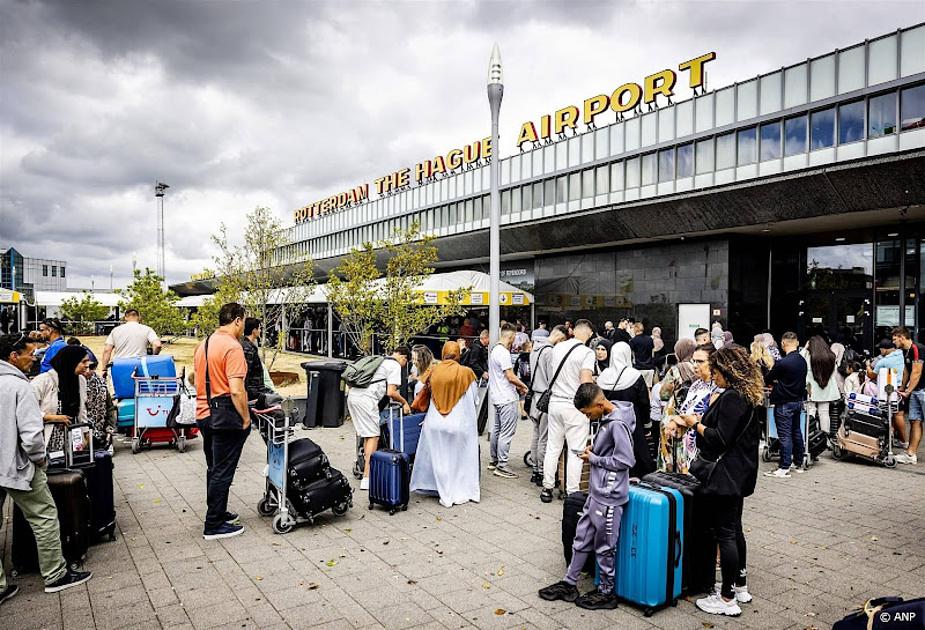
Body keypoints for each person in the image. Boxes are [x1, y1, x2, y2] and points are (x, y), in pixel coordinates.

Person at [668, 345, 761, 617]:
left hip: (725, 475)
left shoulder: (732, 397)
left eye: (716, 370)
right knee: (734, 528)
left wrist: (695, 424)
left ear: (727, 371)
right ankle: (738, 585)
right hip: (738, 471)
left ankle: (727, 597)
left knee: (726, 533)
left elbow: (719, 437)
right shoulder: (746, 395)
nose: (713, 376)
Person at [0, 334, 93, 603]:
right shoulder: (20, 387)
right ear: (13, 356)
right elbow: (31, 434)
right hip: (19, 464)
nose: (35, 359)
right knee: (44, 517)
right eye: (31, 353)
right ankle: (55, 574)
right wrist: (40, 460)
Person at [538, 382, 635, 610]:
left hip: (609, 496)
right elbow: (611, 452)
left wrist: (594, 459)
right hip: (597, 492)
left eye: (587, 413)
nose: (587, 417)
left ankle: (606, 592)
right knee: (581, 538)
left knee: (605, 546)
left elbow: (626, 461)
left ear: (600, 404)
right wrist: (595, 450)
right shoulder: (608, 419)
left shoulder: (618, 424)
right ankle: (569, 582)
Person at [193, 303, 251, 540]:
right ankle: (214, 524)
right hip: (225, 416)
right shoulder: (232, 347)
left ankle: (218, 511)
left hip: (203, 414)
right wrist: (246, 418)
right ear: (237, 320)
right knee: (223, 471)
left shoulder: (204, 344)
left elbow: (193, 377)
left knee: (214, 468)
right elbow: (236, 390)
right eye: (244, 321)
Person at [410, 342, 480, 507]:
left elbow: (422, 388)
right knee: (459, 458)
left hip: (435, 422)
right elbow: (474, 398)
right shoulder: (467, 373)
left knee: (441, 458)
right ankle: (459, 491)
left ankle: (443, 492)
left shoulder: (434, 371)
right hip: (458, 423)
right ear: (457, 354)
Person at [541, 319, 596, 502]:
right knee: (576, 451)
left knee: (553, 447)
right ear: (588, 333)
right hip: (574, 407)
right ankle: (572, 492)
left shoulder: (558, 348)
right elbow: (585, 380)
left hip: (555, 403)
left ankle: (547, 488)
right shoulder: (587, 352)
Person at [347, 346, 411, 490]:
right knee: (374, 437)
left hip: (353, 397)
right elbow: (391, 392)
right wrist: (405, 402)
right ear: (403, 358)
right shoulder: (394, 365)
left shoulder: (380, 359)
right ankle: (367, 478)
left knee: (366, 436)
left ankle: (365, 469)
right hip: (366, 400)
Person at [597, 341, 656, 478]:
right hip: (633, 422)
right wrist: (647, 425)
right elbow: (644, 403)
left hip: (610, 422)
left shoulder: (604, 376)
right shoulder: (634, 376)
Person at [662, 344, 719, 474]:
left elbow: (704, 417)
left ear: (713, 363)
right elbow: (685, 410)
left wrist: (678, 420)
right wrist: (677, 420)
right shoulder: (696, 384)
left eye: (700, 361)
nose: (695, 365)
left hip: (702, 450)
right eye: (694, 361)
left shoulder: (717, 387)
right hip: (684, 447)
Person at [32, 344, 90, 456]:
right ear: (71, 361)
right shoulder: (43, 381)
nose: (87, 365)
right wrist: (51, 417)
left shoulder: (80, 380)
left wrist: (86, 432)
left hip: (73, 435)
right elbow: (27, 410)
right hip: (49, 436)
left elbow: (82, 409)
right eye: (83, 362)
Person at [763, 332, 807, 478]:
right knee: (796, 432)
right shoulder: (802, 361)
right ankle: (799, 463)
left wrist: (776, 381)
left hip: (784, 403)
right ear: (797, 342)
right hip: (798, 401)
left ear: (783, 344)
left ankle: (784, 467)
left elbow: (768, 378)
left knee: (785, 435)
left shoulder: (783, 363)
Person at [527, 325, 567, 485]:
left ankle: (535, 470)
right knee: (544, 438)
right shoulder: (549, 351)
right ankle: (542, 472)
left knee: (536, 435)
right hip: (545, 398)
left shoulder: (535, 349)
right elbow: (552, 379)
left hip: (535, 398)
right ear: (559, 336)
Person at [488, 323, 528, 479]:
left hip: (497, 397)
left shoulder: (494, 350)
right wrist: (524, 386)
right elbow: (510, 376)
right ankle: (502, 466)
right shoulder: (503, 353)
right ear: (511, 336)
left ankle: (494, 460)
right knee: (506, 432)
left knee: (497, 430)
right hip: (507, 398)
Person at [892, 326, 924, 465]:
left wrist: (908, 391)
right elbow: (906, 371)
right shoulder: (905, 352)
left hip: (922, 390)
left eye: (895, 339)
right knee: (914, 421)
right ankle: (910, 454)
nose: (894, 342)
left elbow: (916, 372)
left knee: (916, 420)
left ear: (902, 337)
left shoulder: (917, 349)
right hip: (916, 391)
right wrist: (902, 387)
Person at [99, 309, 161, 377]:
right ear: (139, 317)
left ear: (125, 317)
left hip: (119, 365)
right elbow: (158, 345)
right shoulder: (147, 329)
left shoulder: (116, 330)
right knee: (138, 386)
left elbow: (107, 350)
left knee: (119, 387)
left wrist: (104, 369)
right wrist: (153, 357)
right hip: (139, 366)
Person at [802, 335, 839, 435]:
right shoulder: (830, 356)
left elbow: (799, 361)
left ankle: (810, 435)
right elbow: (834, 373)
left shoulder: (808, 356)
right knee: (824, 413)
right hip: (826, 389)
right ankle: (825, 438)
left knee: (811, 411)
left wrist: (804, 348)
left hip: (811, 389)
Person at [241, 318, 274, 403]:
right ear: (254, 330)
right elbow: (245, 372)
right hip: (254, 392)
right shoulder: (247, 349)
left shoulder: (248, 346)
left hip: (256, 389)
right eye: (259, 328)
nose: (260, 331)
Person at [629, 322, 656, 387]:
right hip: (649, 367)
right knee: (649, 388)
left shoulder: (633, 341)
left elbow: (631, 355)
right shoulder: (650, 339)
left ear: (636, 329)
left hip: (638, 367)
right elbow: (652, 353)